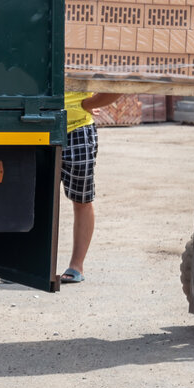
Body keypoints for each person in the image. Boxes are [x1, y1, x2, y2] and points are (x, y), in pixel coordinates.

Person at [59, 91, 118, 284]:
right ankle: (26, 266)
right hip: (37, 125)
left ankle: (76, 266)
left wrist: (89, 103)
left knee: (81, 199)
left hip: (78, 130)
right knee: (34, 198)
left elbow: (121, 84)